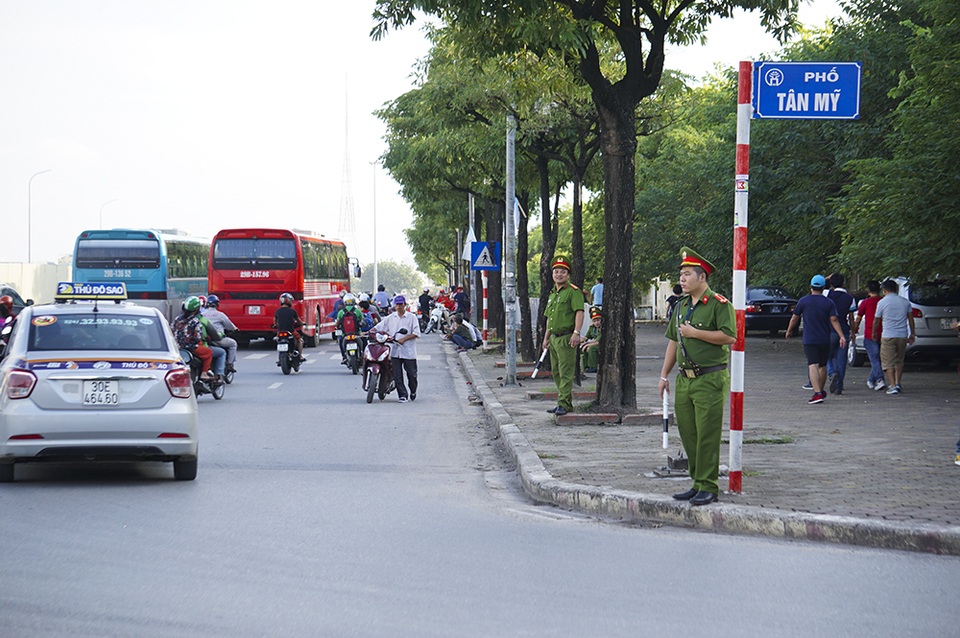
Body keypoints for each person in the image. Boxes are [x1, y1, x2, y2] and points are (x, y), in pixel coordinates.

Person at [658, 247, 736, 506]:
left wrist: (696, 333)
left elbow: (729, 337)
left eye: (688, 273)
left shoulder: (719, 305)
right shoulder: (680, 306)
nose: (682, 278)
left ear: (702, 277)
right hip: (684, 379)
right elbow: (673, 341)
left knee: (707, 434)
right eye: (681, 274)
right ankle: (697, 483)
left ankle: (709, 487)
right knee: (689, 434)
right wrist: (663, 375)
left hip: (710, 378)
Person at [786, 274, 846, 404]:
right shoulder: (828, 302)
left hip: (810, 339)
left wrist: (789, 330)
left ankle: (817, 393)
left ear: (811, 286)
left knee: (812, 364)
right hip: (825, 338)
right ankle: (821, 390)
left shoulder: (803, 301)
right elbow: (834, 319)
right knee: (823, 365)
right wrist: (841, 335)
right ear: (823, 287)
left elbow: (795, 317)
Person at [541, 255, 585, 417]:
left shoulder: (573, 292)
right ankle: (564, 402)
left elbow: (579, 312)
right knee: (557, 372)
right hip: (554, 338)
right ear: (552, 274)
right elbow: (550, 319)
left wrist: (576, 333)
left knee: (565, 371)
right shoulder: (553, 294)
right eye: (556, 271)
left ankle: (563, 403)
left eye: (562, 272)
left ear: (568, 275)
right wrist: (546, 338)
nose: (559, 274)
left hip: (567, 337)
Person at [873, 279, 916, 395]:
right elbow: (911, 319)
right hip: (902, 335)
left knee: (888, 362)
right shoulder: (905, 302)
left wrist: (874, 333)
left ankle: (892, 386)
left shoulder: (882, 302)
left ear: (885, 290)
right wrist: (912, 333)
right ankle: (898, 382)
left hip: (888, 335)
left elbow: (877, 320)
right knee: (899, 360)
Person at [378, 295, 420, 402]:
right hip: (394, 351)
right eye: (397, 304)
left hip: (408, 351)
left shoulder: (412, 317)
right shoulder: (390, 318)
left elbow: (416, 333)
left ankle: (413, 390)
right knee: (397, 375)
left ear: (404, 305)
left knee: (412, 374)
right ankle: (402, 395)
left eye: (400, 304)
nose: (399, 306)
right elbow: (380, 326)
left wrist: (404, 339)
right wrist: (369, 332)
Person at [173, 296, 219, 380]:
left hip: (177, 347)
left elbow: (171, 331)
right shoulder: (195, 321)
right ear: (197, 309)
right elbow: (198, 337)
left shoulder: (177, 319)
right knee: (208, 352)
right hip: (191, 347)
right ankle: (204, 373)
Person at [826, 273, 857, 395]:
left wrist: (827, 278)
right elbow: (851, 317)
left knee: (826, 356)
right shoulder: (850, 298)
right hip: (844, 329)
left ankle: (832, 372)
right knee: (841, 358)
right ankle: (839, 386)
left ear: (832, 284)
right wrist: (853, 332)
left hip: (829, 329)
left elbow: (815, 287)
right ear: (843, 283)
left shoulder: (827, 294)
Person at [852, 280, 886, 391]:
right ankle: (871, 380)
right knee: (878, 358)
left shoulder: (866, 303)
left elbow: (858, 318)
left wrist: (854, 329)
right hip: (884, 332)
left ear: (868, 290)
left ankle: (879, 379)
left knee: (874, 358)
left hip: (869, 333)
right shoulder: (883, 301)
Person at [202, 295, 238, 373]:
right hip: (218, 339)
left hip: (205, 340)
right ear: (217, 304)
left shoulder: (202, 315)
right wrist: (235, 329)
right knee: (233, 344)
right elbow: (230, 326)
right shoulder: (220, 315)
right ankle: (229, 364)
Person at [273, 292, 305, 362]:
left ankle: (279, 358)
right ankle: (300, 356)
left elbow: (275, 321)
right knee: (300, 340)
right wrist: (303, 323)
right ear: (289, 301)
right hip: (291, 331)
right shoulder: (292, 311)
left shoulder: (277, 311)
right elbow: (299, 321)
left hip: (280, 332)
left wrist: (275, 325)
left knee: (278, 340)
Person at [336, 294, 363, 364]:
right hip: (357, 333)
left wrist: (336, 327)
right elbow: (362, 320)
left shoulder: (341, 312)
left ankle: (344, 357)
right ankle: (362, 355)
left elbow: (337, 323)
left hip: (345, 334)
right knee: (363, 341)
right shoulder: (357, 311)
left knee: (341, 342)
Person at [580, 308, 602, 373]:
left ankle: (593, 366)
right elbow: (586, 337)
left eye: (598, 320)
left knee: (591, 348)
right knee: (582, 348)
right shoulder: (592, 328)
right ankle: (585, 366)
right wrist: (581, 340)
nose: (597, 323)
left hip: (601, 345)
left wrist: (586, 345)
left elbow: (598, 342)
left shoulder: (602, 328)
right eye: (594, 321)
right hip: (594, 344)